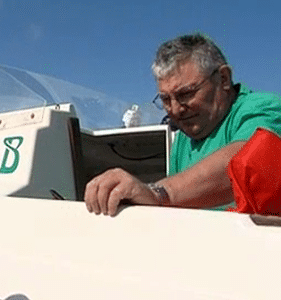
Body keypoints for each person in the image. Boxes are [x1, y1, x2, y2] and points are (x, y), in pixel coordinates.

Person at [84, 33, 281, 216]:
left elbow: (248, 163)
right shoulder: (184, 139)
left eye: (186, 94)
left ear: (223, 79)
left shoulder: (266, 108)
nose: (176, 109)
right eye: (166, 100)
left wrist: (158, 194)